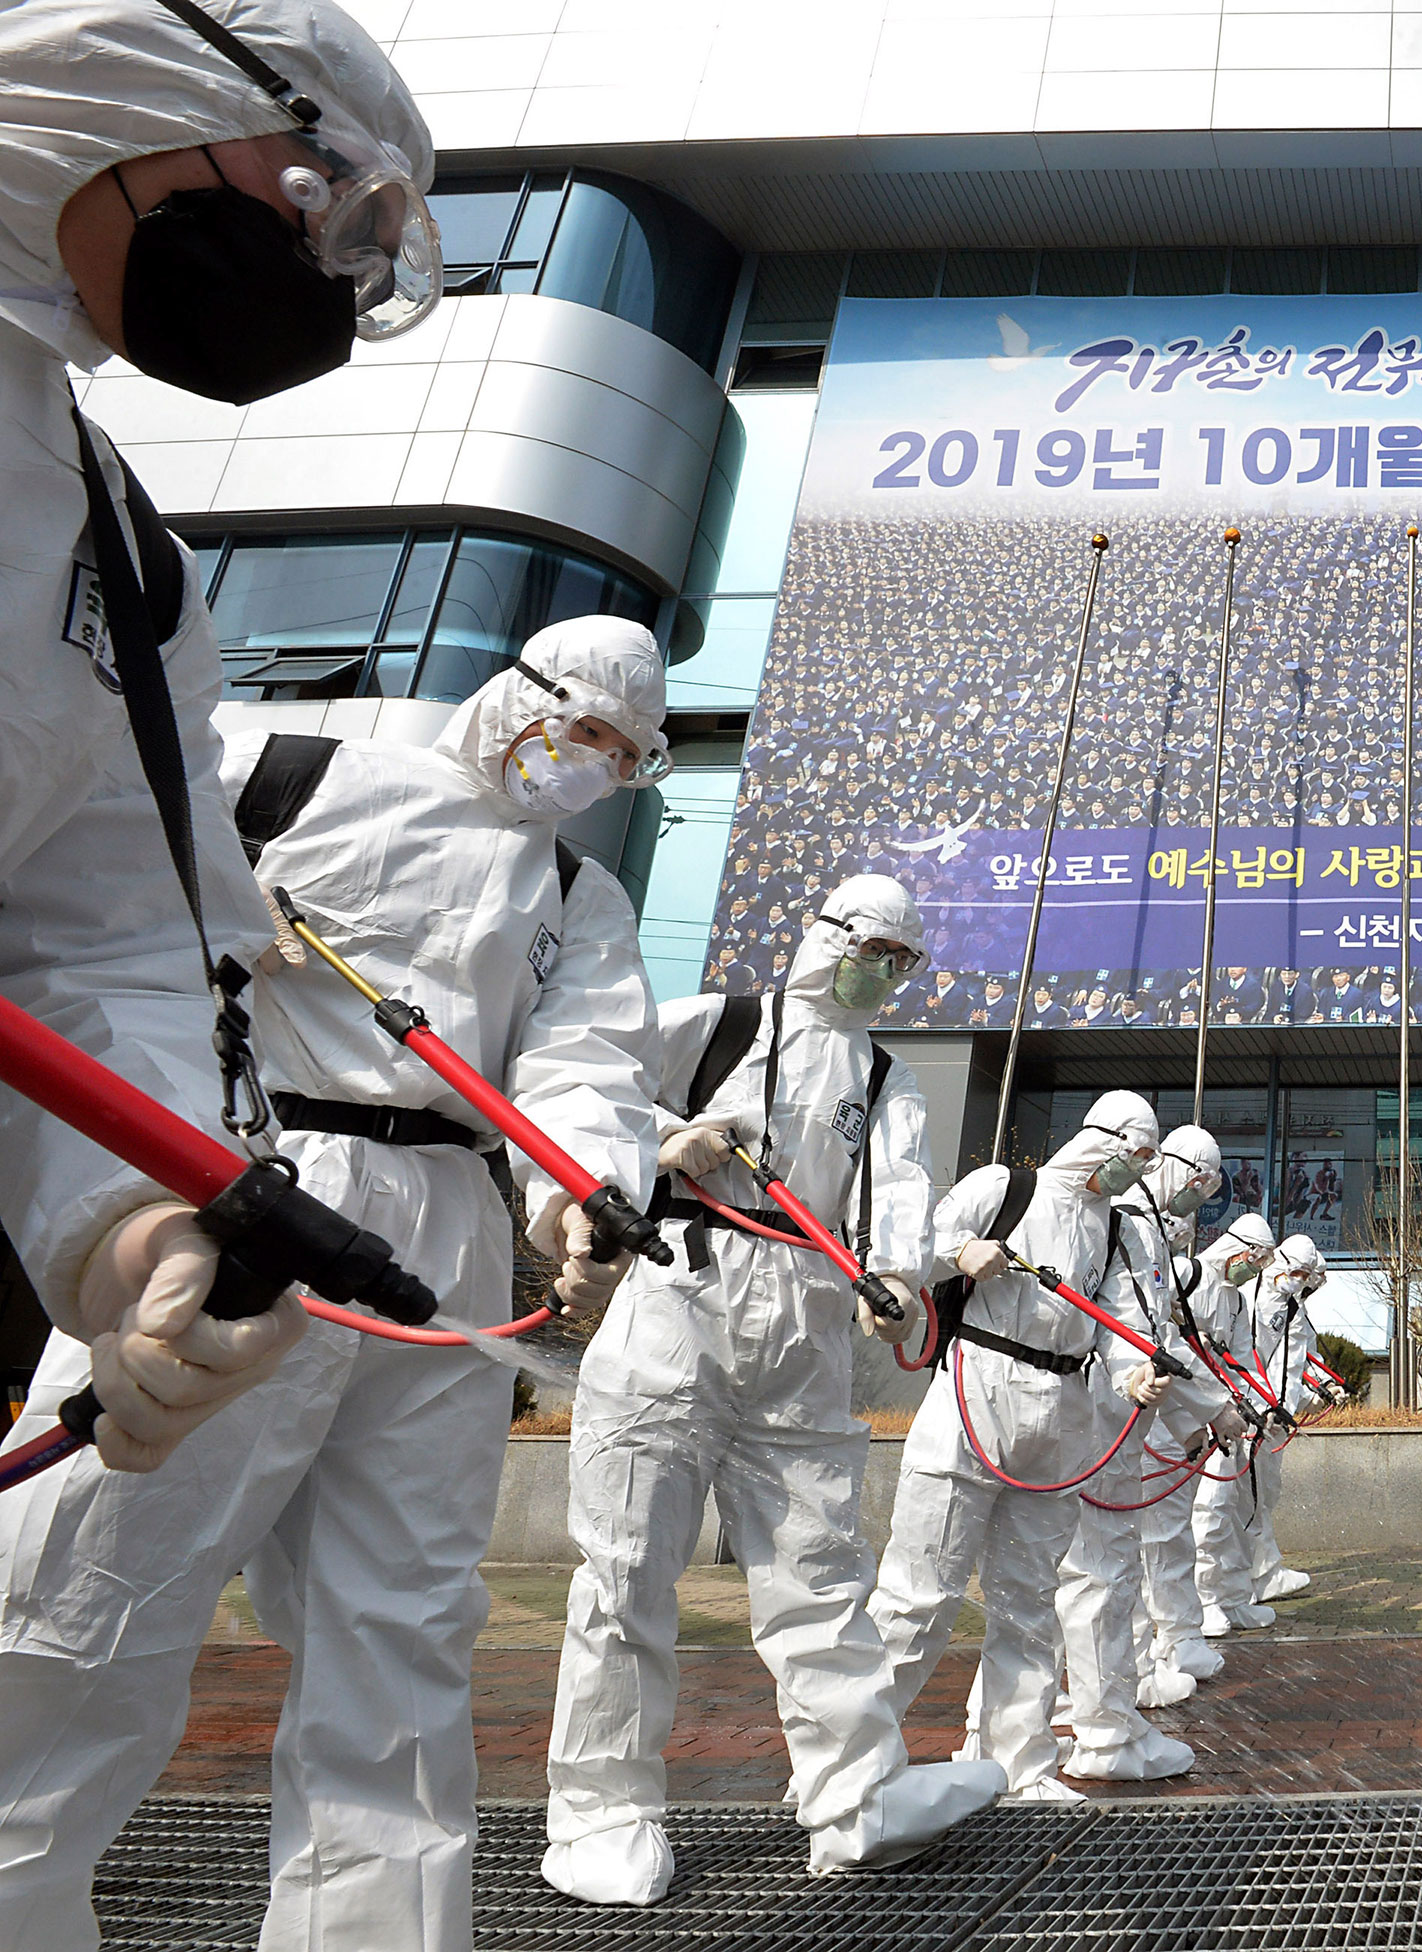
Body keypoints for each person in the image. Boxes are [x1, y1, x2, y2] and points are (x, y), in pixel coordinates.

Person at [0, 616, 666, 1947]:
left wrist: (590, 1196)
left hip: (451, 1243)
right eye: (577, 723)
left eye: (620, 750)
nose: (584, 760)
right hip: (242, 1181)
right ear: (520, 694)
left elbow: (588, 1071)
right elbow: (109, 918)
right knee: (84, 1591)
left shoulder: (583, 900)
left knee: (403, 1633)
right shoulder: (288, 774)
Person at [0, 0, 442, 1488]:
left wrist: (130, 1225)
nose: (340, 272)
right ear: (175, 83)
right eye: (348, 206)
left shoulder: (124, 564)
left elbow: (103, 942)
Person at [544, 872, 989, 1902]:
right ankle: (601, 1813)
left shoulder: (886, 1080)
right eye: (875, 948)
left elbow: (902, 1206)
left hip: (803, 1323)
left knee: (824, 1574)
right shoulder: (721, 1021)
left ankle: (856, 1795)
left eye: (903, 959)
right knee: (624, 1569)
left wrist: (895, 1280)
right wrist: (663, 1143)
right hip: (678, 1297)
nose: (886, 972)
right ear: (826, 933)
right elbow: (587, 1094)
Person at [867, 1092, 1158, 1801]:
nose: (1137, 1172)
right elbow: (908, 1251)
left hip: (1059, 1412)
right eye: (1135, 1155)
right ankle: (847, 1760)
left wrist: (1135, 1368)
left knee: (1029, 1602)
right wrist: (956, 1252)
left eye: (1149, 1162)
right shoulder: (1006, 1188)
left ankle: (1019, 1768)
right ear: (1102, 1140)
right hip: (976, 1393)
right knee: (919, 1594)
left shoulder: (1114, 1232)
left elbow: (1121, 1322)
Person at [1049, 1124, 1221, 1780]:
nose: (1195, 1196)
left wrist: (1198, 1407)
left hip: (1107, 1411)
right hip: (1089, 1416)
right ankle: (1081, 1723)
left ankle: (1101, 1712)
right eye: (1196, 1179)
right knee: (1083, 1575)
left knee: (1096, 1573)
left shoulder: (1126, 1222)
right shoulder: (1112, 1219)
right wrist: (1209, 1408)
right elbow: (1142, 1337)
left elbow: (1147, 1339)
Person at [1139, 1213, 1272, 1690]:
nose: (1253, 1267)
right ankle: (1160, 1639)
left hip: (1208, 1417)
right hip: (1162, 1412)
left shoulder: (1236, 1302)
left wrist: (1244, 1408)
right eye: (1253, 1257)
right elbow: (1160, 1340)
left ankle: (1181, 1631)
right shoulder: (1186, 1274)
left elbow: (1232, 1359)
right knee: (1169, 1525)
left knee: (1194, 1520)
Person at [1195, 1232, 1324, 1633]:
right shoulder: (1217, 1290)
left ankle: (1236, 1595)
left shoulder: (1276, 1305)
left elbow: (1271, 1360)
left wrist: (1293, 1398)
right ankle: (1202, 1601)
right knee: (1212, 1507)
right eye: (1294, 1271)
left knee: (1249, 1507)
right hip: (1221, 1414)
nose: (1298, 1280)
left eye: (1305, 1275)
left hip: (1255, 1416)